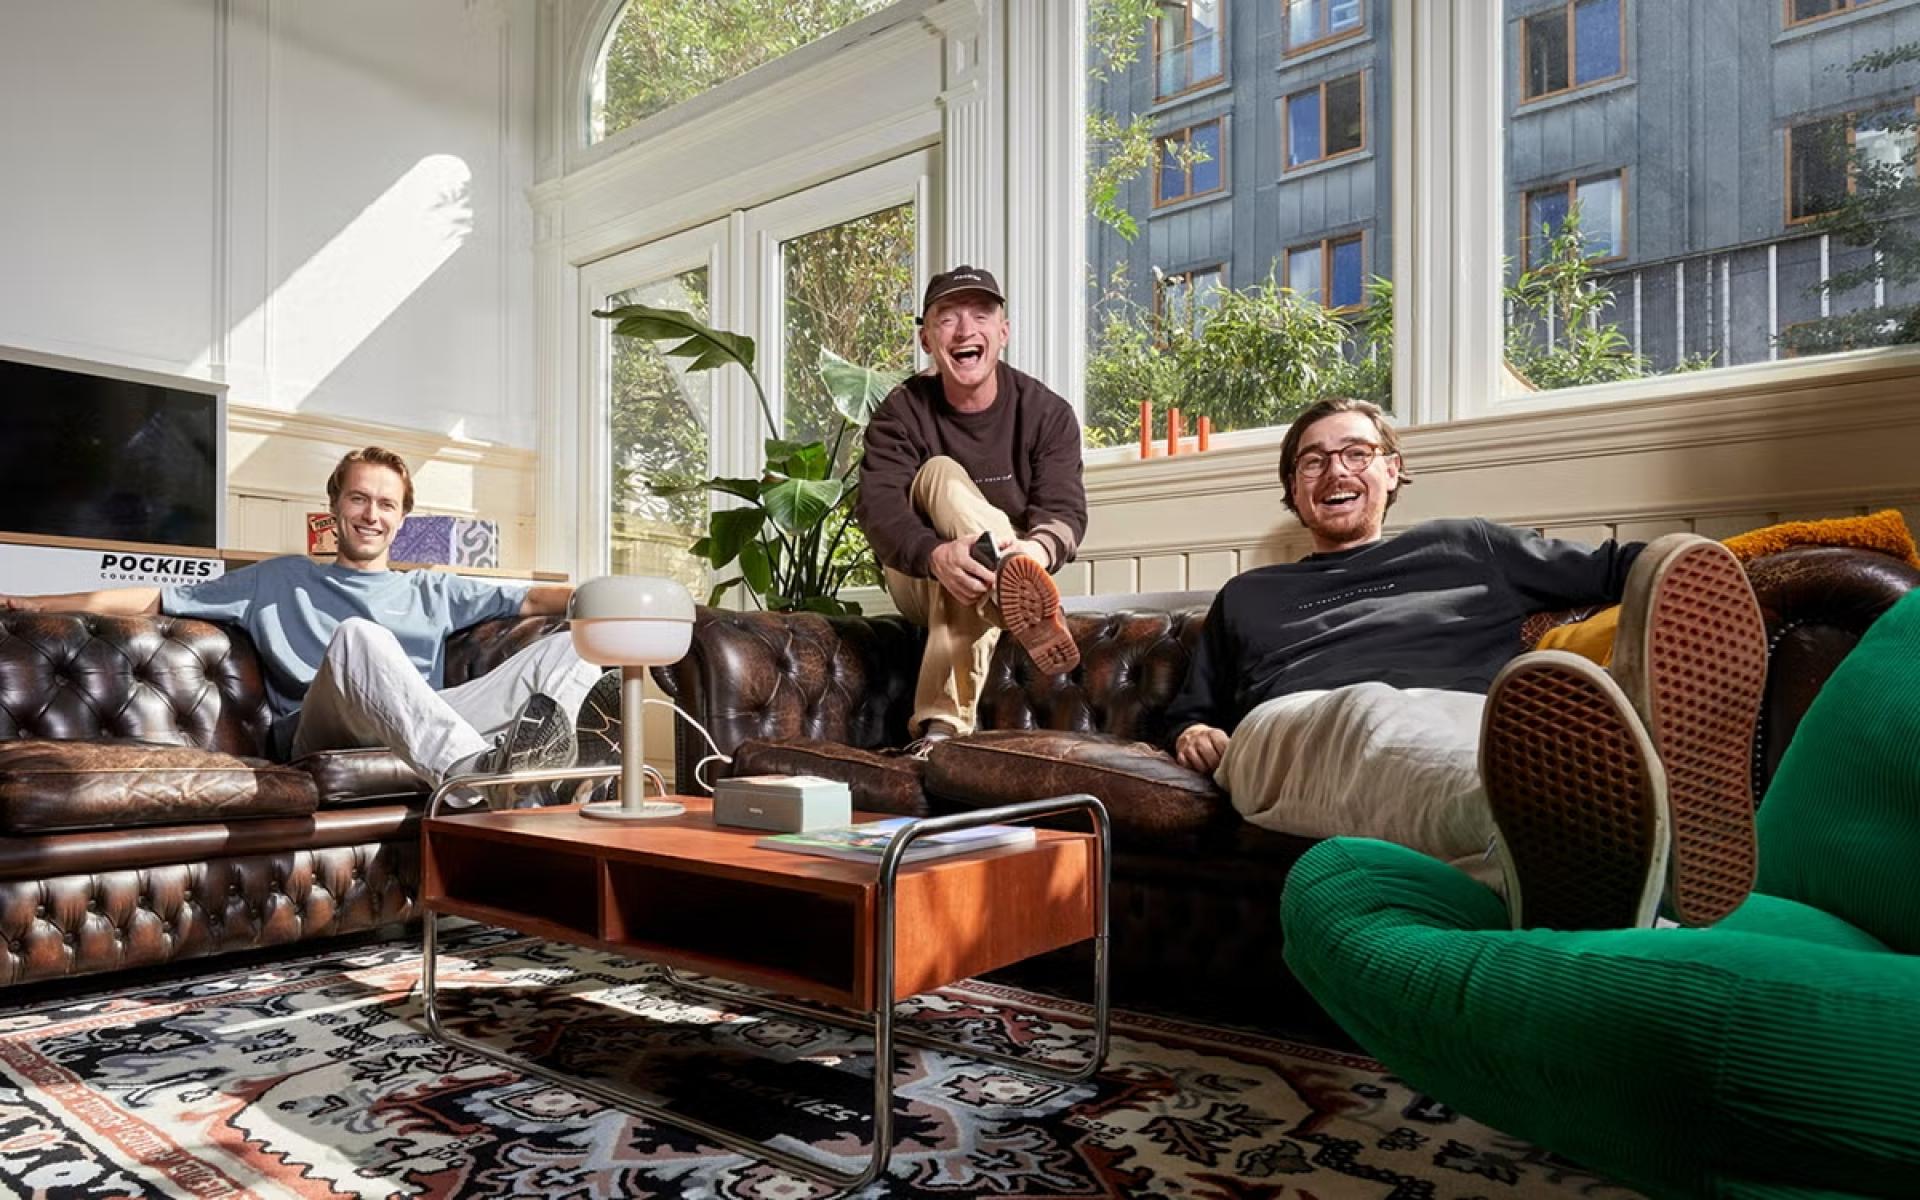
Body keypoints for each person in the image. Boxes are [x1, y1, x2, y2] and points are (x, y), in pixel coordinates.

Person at [1165, 396, 1767, 928]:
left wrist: (1749, 561)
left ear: (1392, 470)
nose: (1336, 471)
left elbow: (1631, 568)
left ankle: (1607, 865)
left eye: (1356, 453)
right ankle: (1622, 823)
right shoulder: (1249, 594)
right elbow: (1192, 710)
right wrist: (1192, 731)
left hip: (1472, 720)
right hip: (1295, 731)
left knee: (1495, 761)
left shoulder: (1465, 545)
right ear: (1294, 489)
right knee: (1366, 713)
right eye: (1313, 462)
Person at [0, 447, 600, 797]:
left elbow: (537, 600)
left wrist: (620, 600)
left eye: (386, 504)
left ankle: (536, 773)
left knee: (580, 641)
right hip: (326, 725)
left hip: (422, 722)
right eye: (358, 499)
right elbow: (157, 598)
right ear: (334, 507)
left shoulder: (432, 588)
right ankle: (471, 777)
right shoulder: (279, 579)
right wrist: (41, 604)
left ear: (401, 518)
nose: (371, 514)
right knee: (361, 637)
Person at [856, 265, 1089, 748]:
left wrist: (1032, 554)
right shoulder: (902, 411)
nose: (965, 330)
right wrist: (935, 555)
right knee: (940, 473)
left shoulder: (1047, 413)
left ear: (1003, 332)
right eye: (947, 318)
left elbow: (1064, 513)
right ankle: (1013, 596)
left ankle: (941, 731)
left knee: (975, 559)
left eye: (981, 315)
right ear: (926, 338)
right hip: (918, 573)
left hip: (1003, 563)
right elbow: (878, 510)